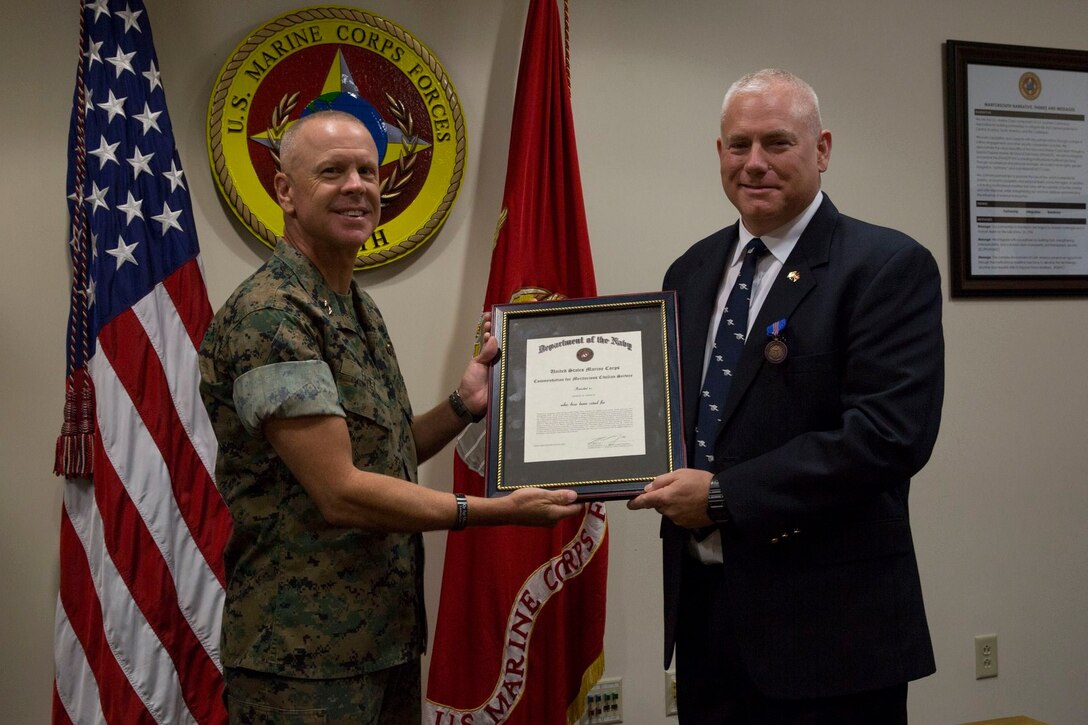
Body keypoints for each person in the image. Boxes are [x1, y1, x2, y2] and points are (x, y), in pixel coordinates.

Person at [199, 108, 582, 723]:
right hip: (303, 662)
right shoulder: (270, 316)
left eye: (367, 171)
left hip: (385, 641)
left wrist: (463, 406)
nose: (357, 186)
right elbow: (342, 491)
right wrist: (495, 514)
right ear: (284, 191)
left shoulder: (358, 308)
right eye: (332, 172)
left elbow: (387, 451)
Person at [628, 69, 944, 723]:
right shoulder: (688, 271)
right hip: (708, 616)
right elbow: (668, 418)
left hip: (833, 633)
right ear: (719, 153)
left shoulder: (885, 266)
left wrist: (721, 496)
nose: (755, 163)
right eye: (738, 145)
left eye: (777, 142)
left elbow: (887, 436)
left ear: (822, 148)